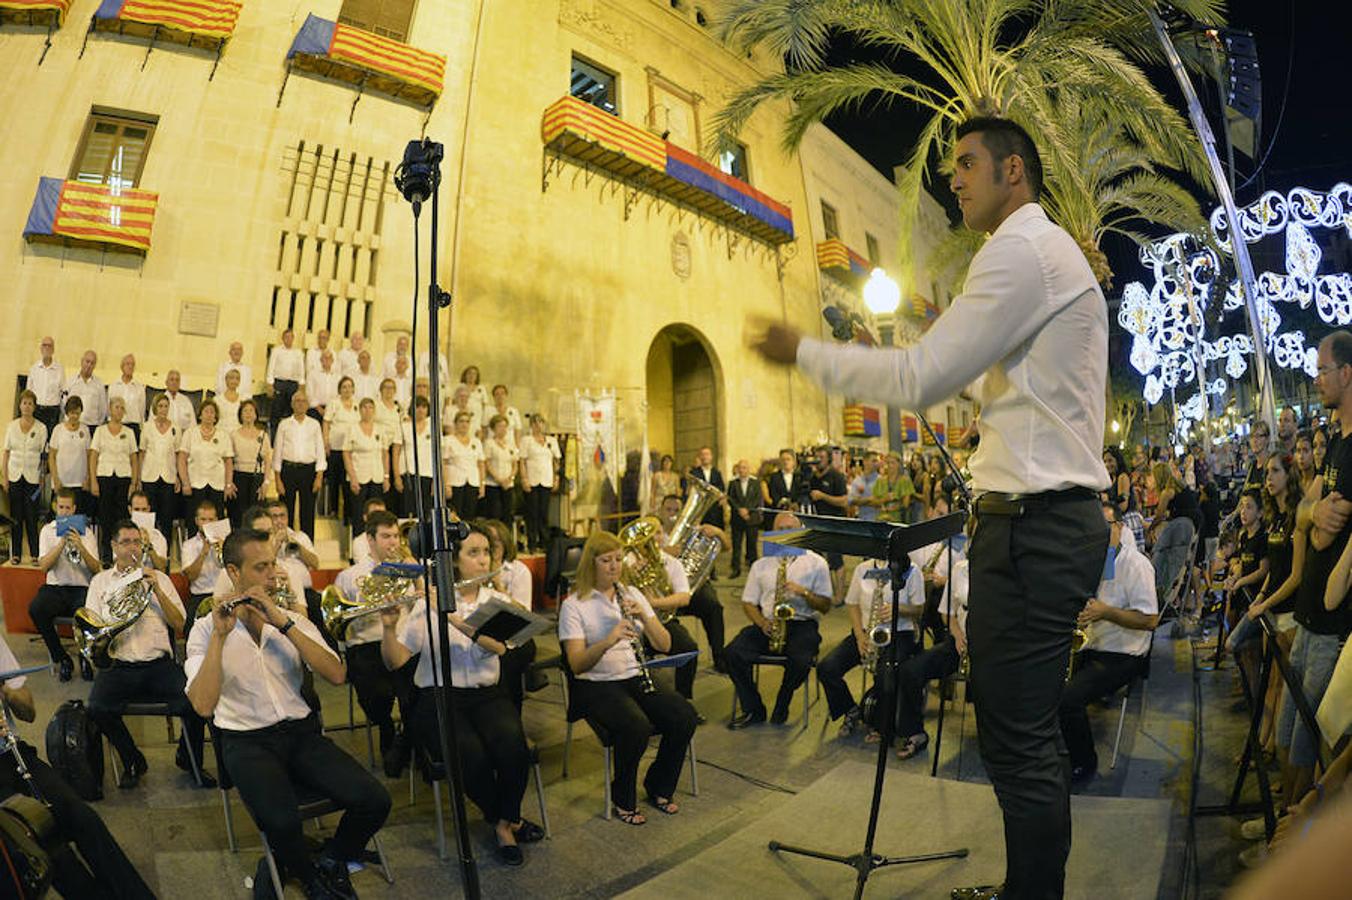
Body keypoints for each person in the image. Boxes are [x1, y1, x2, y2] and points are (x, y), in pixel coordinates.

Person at [751, 117, 1111, 900]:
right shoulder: (1036, 253)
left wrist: (804, 352)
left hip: (1037, 529)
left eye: (968, 163)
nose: (955, 178)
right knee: (1023, 735)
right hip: (1039, 524)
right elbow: (985, 379)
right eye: (951, 166)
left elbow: (921, 380)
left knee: (1019, 741)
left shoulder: (1019, 250)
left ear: (1014, 171)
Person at [186, 528, 391, 897]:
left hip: (300, 733)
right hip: (246, 742)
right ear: (234, 573)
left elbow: (336, 674)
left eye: (273, 564)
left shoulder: (288, 618)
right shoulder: (204, 630)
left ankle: (329, 862)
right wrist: (220, 637)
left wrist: (284, 622)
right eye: (260, 567)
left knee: (375, 800)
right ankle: (311, 879)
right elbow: (202, 704)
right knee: (281, 821)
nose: (273, 574)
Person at [380, 522, 544, 863]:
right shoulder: (426, 604)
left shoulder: (498, 602)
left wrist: (452, 618)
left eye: (486, 552)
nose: (483, 560)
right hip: (438, 699)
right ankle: (505, 822)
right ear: (455, 561)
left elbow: (498, 648)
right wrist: (388, 626)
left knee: (514, 747)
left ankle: (505, 818)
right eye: (474, 553)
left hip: (487, 695)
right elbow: (396, 661)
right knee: (471, 757)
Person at [0, 631, 156, 899]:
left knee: (83, 817)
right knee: (43, 843)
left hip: (12, 754)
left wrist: (6, 692)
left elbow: (28, 712)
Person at [559, 529, 698, 825]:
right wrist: (608, 640)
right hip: (595, 684)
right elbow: (576, 665)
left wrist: (646, 617)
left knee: (684, 716)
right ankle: (623, 797)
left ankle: (658, 785)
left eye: (619, 559)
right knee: (636, 726)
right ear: (591, 564)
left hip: (634, 675)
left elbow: (664, 645)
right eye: (606, 560)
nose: (614, 566)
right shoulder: (574, 605)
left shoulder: (631, 594)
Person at [1277, 332, 1352, 810]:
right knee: (1287, 733)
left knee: (1309, 745)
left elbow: (1322, 535)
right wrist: (1309, 514)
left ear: (1347, 373)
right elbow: (1305, 515)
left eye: (1323, 370)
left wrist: (1310, 519)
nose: (1317, 378)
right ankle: (1282, 824)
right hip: (1308, 613)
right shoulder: (1337, 446)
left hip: (1332, 623)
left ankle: (1287, 843)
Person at [85, 519, 214, 789]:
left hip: (159, 666)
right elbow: (92, 629)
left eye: (137, 542)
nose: (133, 548)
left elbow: (180, 624)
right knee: (97, 707)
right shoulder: (100, 582)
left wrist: (156, 590)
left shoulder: (160, 579)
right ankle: (132, 760)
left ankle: (189, 759)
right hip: (118, 665)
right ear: (113, 546)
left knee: (196, 700)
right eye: (126, 542)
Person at [1059, 502, 1158, 784]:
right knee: (1046, 681)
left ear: (1120, 529)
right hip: (1095, 645)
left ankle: (1084, 763)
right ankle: (1065, 740)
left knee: (1068, 699)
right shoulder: (1093, 564)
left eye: (1105, 528)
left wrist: (1106, 612)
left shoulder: (1136, 564)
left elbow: (1150, 620)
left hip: (1125, 654)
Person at [726, 512, 833, 728]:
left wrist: (804, 593)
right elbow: (748, 602)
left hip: (802, 622)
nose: (785, 534)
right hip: (768, 622)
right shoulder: (761, 564)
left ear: (800, 531)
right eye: (780, 530)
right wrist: (762, 623)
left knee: (801, 661)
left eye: (790, 529)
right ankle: (753, 709)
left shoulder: (816, 562)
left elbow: (825, 606)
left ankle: (783, 699)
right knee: (732, 653)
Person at [335, 511, 415, 777]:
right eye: (386, 536)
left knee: (419, 693)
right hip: (366, 646)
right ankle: (387, 728)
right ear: (370, 540)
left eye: (395, 536)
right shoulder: (350, 576)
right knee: (377, 696)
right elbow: (340, 621)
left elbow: (421, 610)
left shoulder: (407, 570)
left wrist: (417, 580)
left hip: (403, 643)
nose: (393, 542)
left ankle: (407, 738)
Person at [820, 554, 924, 743]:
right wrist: (859, 636)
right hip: (867, 632)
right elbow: (852, 603)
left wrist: (897, 609)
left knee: (886, 677)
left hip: (898, 633)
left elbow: (919, 609)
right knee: (827, 667)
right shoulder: (863, 569)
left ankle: (882, 725)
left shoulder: (911, 570)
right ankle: (850, 710)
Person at [29, 488, 102, 682]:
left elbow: (97, 569)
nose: (64, 512)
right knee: (36, 609)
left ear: (74, 509)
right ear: (55, 508)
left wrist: (81, 546)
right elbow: (44, 566)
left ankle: (85, 657)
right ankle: (62, 658)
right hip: (55, 588)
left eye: (68, 508)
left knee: (91, 613)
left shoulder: (87, 533)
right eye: (60, 507)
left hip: (81, 588)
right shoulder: (47, 531)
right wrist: (61, 543)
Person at [653, 493, 729, 674]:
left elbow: (726, 547)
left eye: (676, 511)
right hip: (663, 591)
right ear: (661, 511)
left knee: (714, 607)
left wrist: (718, 532)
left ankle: (719, 657)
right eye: (668, 510)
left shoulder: (694, 531)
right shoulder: (653, 533)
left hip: (693, 587)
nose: (672, 514)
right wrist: (663, 552)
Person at [90, 396, 139, 562]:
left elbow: (134, 458)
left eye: (121, 408)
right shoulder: (100, 431)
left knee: (121, 517)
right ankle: (106, 553)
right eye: (116, 407)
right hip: (104, 477)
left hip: (123, 477)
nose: (119, 410)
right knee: (105, 516)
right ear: (110, 409)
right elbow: (93, 456)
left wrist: (134, 482)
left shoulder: (129, 432)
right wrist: (93, 481)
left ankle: (122, 552)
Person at [273, 391, 326, 540]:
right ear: (292, 404)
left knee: (307, 513)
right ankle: (283, 546)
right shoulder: (284, 424)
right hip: (288, 471)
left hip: (309, 471)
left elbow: (320, 451)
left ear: (308, 405)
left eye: (303, 401)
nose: (300, 404)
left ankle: (307, 548)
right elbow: (277, 451)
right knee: (285, 513)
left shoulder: (314, 424)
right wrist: (277, 479)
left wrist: (319, 476)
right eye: (297, 401)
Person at [2, 389, 47, 564]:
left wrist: (43, 477)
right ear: (20, 406)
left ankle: (35, 554)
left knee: (32, 516)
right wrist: (5, 477)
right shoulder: (11, 426)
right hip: (14, 477)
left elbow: (44, 455)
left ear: (34, 407)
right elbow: (6, 453)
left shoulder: (41, 428)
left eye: (30, 403)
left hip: (33, 478)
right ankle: (16, 554)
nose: (27, 406)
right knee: (16, 516)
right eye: (24, 403)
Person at [177, 399, 234, 531]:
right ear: (200, 415)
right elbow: (181, 459)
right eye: (206, 411)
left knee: (217, 522)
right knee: (194, 522)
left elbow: (229, 462)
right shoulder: (190, 433)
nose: (209, 414)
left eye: (212, 412)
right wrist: (185, 483)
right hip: (195, 484)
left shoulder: (223, 435)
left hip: (217, 485)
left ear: (216, 417)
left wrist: (228, 484)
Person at [139, 393, 182, 539]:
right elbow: (142, 453)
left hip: (168, 477)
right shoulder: (147, 427)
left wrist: (178, 476)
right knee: (149, 518)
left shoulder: (176, 428)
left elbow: (177, 454)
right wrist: (138, 477)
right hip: (149, 476)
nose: (163, 409)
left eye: (166, 406)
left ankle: (166, 556)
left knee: (167, 518)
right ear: (155, 408)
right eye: (160, 406)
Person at [180, 497, 227, 631]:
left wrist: (224, 548)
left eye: (211, 520)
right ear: (196, 521)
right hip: (199, 597)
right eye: (203, 520)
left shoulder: (227, 541)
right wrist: (204, 552)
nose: (207, 524)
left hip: (224, 595)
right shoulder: (188, 545)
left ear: (217, 520)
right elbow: (191, 576)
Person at [344, 397, 389, 535]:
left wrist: (386, 477)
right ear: (360, 410)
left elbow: (385, 454)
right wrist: (352, 478)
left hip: (377, 476)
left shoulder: (380, 429)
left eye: (370, 407)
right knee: (359, 514)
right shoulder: (352, 429)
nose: (367, 410)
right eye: (364, 407)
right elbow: (346, 454)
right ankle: (358, 549)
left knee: (377, 515)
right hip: (358, 476)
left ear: (374, 411)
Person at [323, 375, 361, 526]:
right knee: (334, 480)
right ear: (339, 389)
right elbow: (326, 423)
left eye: (349, 386)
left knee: (347, 484)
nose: (347, 389)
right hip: (336, 448)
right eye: (344, 387)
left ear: (353, 389)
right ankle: (333, 510)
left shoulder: (358, 405)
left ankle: (347, 514)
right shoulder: (334, 403)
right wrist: (325, 442)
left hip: (351, 450)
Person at [520, 414, 561, 552]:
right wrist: (524, 479)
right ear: (531, 425)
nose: (538, 426)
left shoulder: (551, 441)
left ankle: (544, 543)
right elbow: (522, 461)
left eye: (541, 423)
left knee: (544, 513)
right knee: (532, 513)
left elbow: (556, 461)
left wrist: (556, 478)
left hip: (546, 479)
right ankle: (531, 543)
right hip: (532, 480)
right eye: (535, 423)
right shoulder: (526, 440)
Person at [228, 398, 271, 528]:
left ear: (256, 414)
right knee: (238, 516)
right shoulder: (233, 434)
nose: (248, 414)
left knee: (255, 517)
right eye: (245, 411)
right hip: (238, 477)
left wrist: (266, 482)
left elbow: (267, 460)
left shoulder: (263, 435)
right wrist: (229, 482)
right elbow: (229, 460)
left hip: (257, 478)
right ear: (240, 414)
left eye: (251, 410)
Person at [50, 395, 93, 518]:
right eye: (72, 413)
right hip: (61, 482)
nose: (74, 416)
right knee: (60, 521)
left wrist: (88, 478)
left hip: (79, 483)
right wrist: (55, 479)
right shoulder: (58, 429)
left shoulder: (85, 430)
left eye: (77, 413)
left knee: (78, 520)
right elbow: (52, 456)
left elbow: (89, 455)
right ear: (67, 412)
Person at [395, 395, 436, 516]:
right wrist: (397, 476)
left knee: (426, 511)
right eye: (417, 406)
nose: (421, 409)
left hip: (427, 474)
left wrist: (437, 480)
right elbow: (396, 452)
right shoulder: (404, 427)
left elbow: (438, 457)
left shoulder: (433, 428)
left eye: (424, 407)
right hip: (408, 474)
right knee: (407, 510)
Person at [446, 410, 486, 521]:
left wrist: (482, 484)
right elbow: (443, 464)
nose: (464, 424)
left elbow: (481, 464)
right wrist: (446, 484)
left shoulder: (476, 442)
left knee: (470, 514)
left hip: (472, 481)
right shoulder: (448, 440)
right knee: (455, 515)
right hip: (455, 482)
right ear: (455, 423)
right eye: (461, 421)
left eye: (467, 421)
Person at [265, 328, 305, 438]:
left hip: (293, 385)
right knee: (276, 413)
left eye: (291, 337)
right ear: (283, 338)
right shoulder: (276, 350)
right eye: (286, 337)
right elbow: (271, 367)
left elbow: (301, 370)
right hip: (279, 383)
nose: (289, 339)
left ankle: (290, 437)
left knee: (292, 413)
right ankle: (273, 440)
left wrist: (301, 387)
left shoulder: (298, 352)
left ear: (293, 338)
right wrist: (270, 384)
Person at [726, 459, 762, 577]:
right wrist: (739, 510)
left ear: (749, 469)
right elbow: (730, 499)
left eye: (745, 467)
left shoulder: (755, 483)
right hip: (737, 519)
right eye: (740, 468)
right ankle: (735, 569)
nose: (742, 470)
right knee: (737, 546)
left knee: (752, 545)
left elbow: (757, 499)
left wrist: (748, 510)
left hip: (752, 518)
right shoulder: (733, 483)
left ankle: (754, 568)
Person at [483, 414, 518, 524]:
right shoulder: (489, 443)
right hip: (493, 484)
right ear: (493, 428)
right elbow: (487, 463)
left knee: (508, 513)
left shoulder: (511, 444)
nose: (502, 429)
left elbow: (515, 464)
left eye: (504, 426)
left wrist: (511, 477)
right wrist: (498, 479)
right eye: (499, 426)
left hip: (508, 484)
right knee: (495, 513)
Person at [28, 335, 65, 434]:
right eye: (44, 345)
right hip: (37, 410)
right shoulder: (34, 369)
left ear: (53, 349)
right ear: (40, 348)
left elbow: (63, 393)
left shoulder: (60, 370)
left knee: (49, 442)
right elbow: (29, 393)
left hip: (52, 412)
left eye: (49, 346)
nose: (47, 348)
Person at [107, 353, 147, 442]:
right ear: (122, 367)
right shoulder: (113, 386)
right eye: (128, 364)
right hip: (117, 425)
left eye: (132, 364)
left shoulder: (139, 387)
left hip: (134, 427)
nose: (130, 367)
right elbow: (109, 409)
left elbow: (141, 410)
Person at [686, 446, 727, 530]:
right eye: (702, 454)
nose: (705, 457)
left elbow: (721, 489)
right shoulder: (694, 473)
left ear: (711, 457)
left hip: (715, 511)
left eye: (707, 454)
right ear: (700, 457)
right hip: (700, 511)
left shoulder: (717, 473)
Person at [127, 491, 169, 572]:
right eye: (137, 509)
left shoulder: (158, 536)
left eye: (144, 509)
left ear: (149, 509)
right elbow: (120, 565)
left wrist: (149, 546)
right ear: (130, 510)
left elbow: (162, 567)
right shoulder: (122, 534)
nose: (141, 513)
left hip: (152, 578)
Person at [64, 349, 107, 429]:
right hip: (72, 425)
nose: (89, 365)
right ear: (81, 361)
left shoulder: (99, 384)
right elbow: (64, 403)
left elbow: (103, 409)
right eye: (87, 361)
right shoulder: (70, 381)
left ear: (94, 366)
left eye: (92, 363)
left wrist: (97, 424)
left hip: (92, 426)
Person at [873, 451, 916, 524]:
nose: (890, 466)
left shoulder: (905, 481)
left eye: (892, 463)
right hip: (881, 519)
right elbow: (874, 502)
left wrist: (895, 507)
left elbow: (906, 504)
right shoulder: (880, 481)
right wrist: (884, 500)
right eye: (888, 463)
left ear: (899, 464)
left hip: (898, 520)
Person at [349, 496, 388, 565]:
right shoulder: (359, 541)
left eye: (383, 514)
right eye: (375, 515)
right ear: (365, 517)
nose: (380, 519)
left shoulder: (392, 538)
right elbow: (365, 566)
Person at [307, 349, 340, 425]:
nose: (327, 360)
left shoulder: (338, 376)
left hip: (333, 410)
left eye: (329, 358)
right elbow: (309, 394)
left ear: (332, 360)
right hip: (316, 410)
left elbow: (339, 395)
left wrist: (332, 409)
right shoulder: (312, 374)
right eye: (325, 358)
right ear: (321, 360)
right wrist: (319, 409)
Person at [847, 451, 882, 522]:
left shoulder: (881, 481)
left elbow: (880, 503)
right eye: (874, 461)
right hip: (861, 520)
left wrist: (860, 501)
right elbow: (851, 500)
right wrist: (869, 499)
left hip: (878, 521)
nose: (876, 464)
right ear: (865, 462)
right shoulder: (857, 481)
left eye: (877, 461)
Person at [215, 368, 244, 433]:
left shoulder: (243, 400)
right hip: (221, 433)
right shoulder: (217, 399)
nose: (234, 381)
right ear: (226, 380)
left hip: (238, 433)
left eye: (237, 378)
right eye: (231, 378)